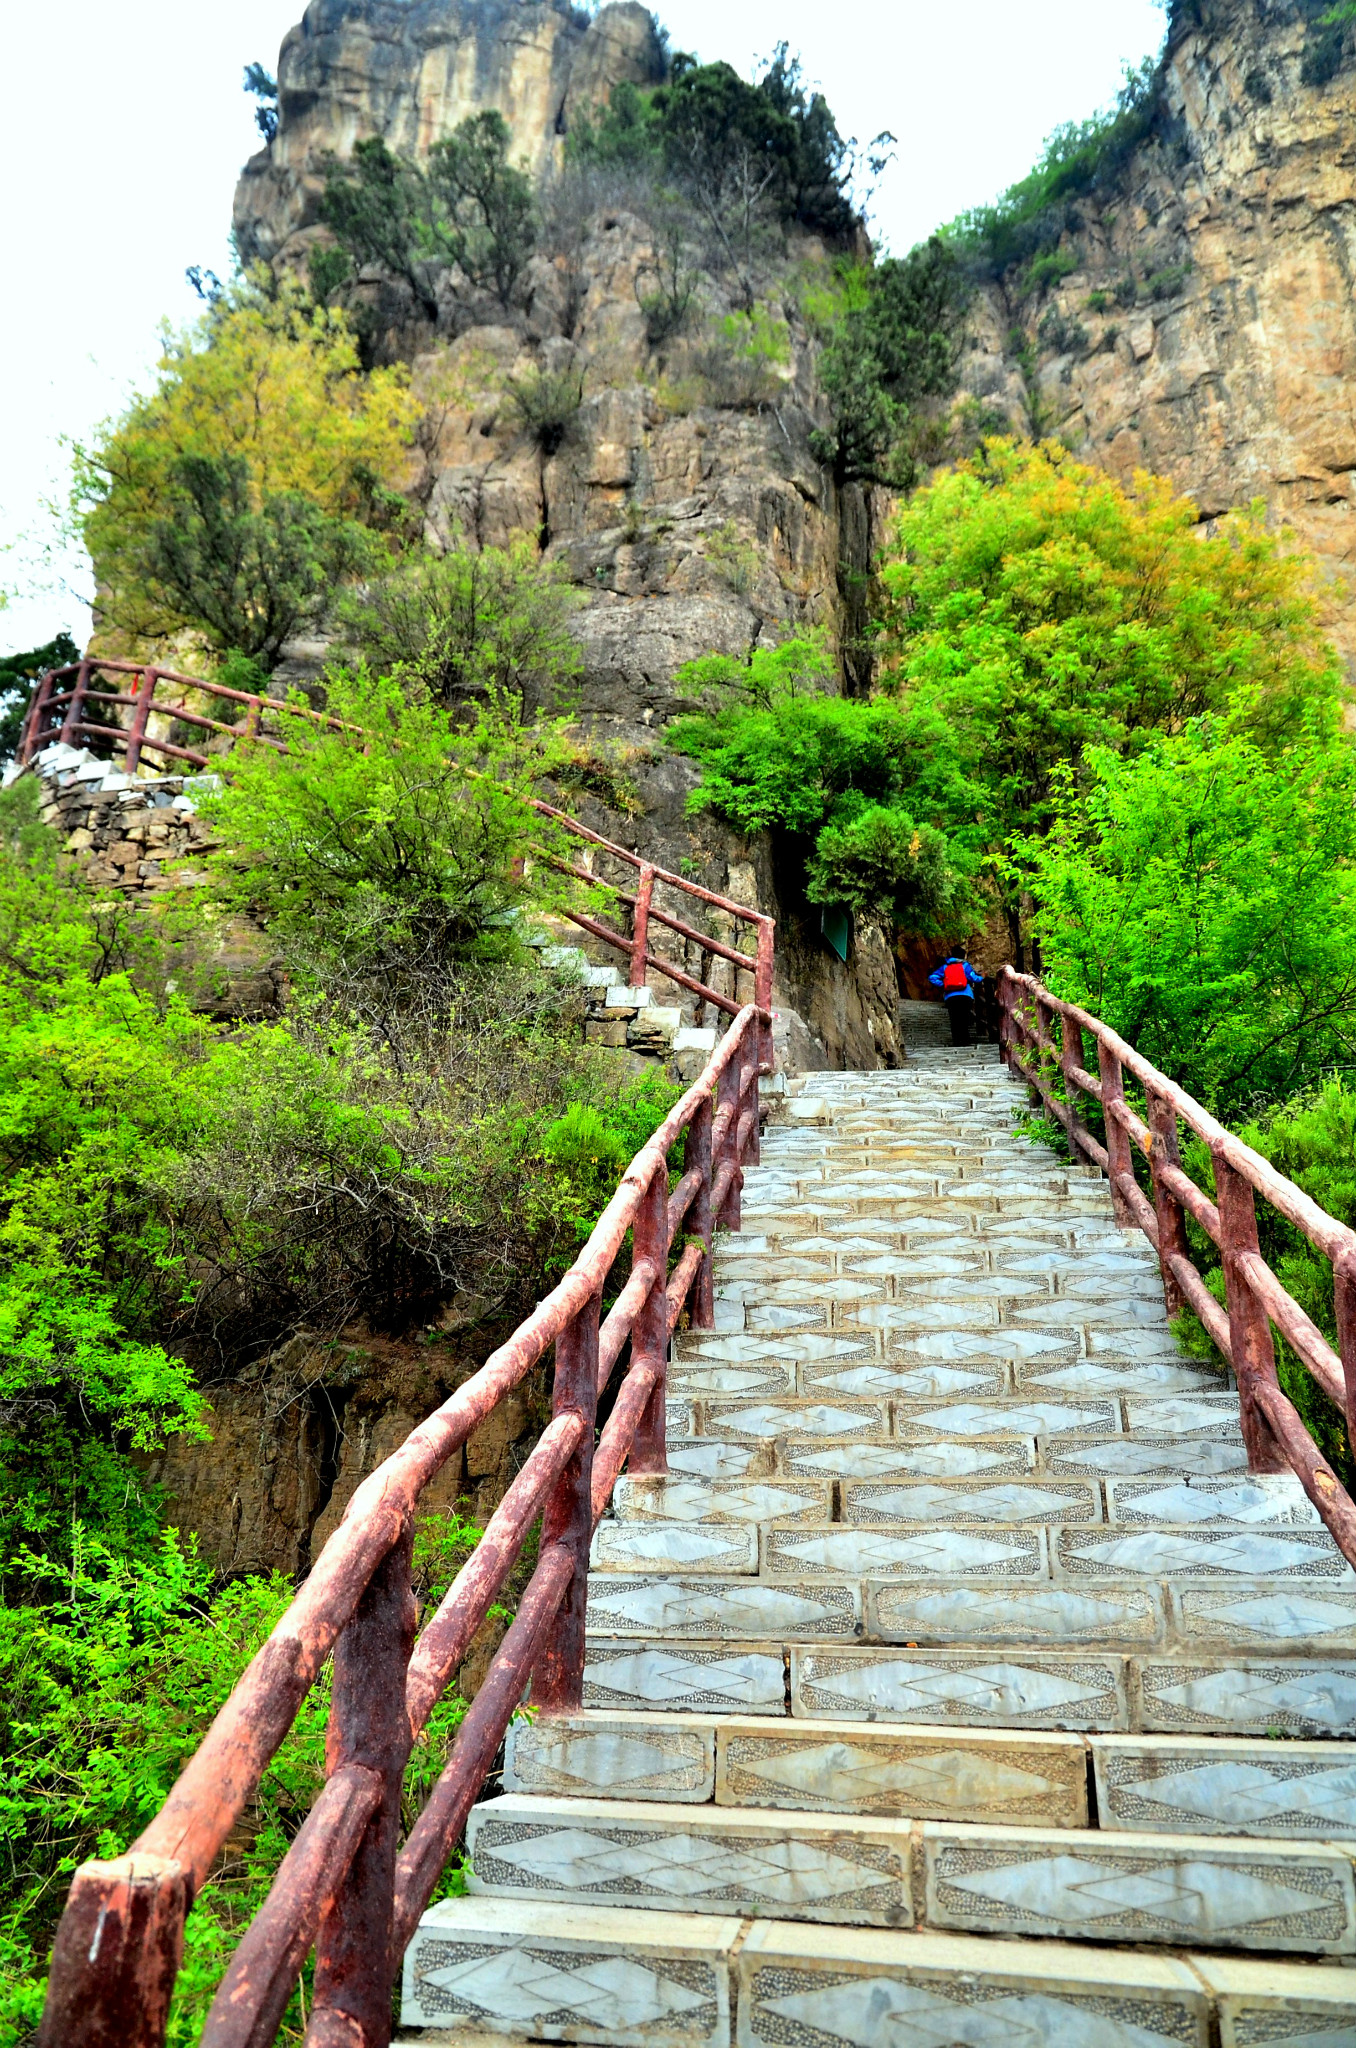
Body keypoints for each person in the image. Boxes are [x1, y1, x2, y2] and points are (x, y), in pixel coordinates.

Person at [929, 952, 984, 1045]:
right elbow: (973, 978)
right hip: (965, 995)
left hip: (950, 997)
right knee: (964, 1018)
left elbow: (932, 977)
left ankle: (957, 1041)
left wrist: (944, 985)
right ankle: (965, 1041)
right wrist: (982, 977)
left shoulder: (945, 967)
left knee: (954, 1019)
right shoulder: (965, 965)